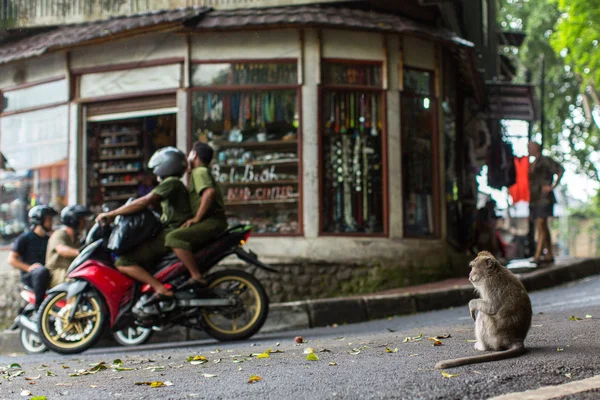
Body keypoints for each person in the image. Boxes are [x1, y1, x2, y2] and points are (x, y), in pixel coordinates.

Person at [96, 147, 193, 306]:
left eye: (156, 168)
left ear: (166, 165)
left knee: (122, 261)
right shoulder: (175, 184)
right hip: (170, 231)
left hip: (169, 234)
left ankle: (159, 288)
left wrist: (112, 214)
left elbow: (144, 201)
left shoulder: (171, 183)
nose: (155, 173)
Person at [166, 141, 228, 292]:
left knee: (173, 238)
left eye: (190, 153)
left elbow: (209, 193)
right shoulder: (200, 172)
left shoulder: (199, 171)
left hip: (212, 222)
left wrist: (197, 218)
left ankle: (196, 276)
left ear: (194, 155)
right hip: (212, 222)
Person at [7, 205, 57, 310]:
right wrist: (29, 268)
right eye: (49, 219)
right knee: (41, 271)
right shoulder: (25, 238)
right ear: (39, 220)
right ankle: (39, 310)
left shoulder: (49, 239)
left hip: (48, 274)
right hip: (32, 276)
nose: (51, 222)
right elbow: (11, 259)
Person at [528, 141, 564, 264]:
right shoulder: (532, 163)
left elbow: (560, 170)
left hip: (545, 198)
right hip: (535, 198)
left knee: (541, 223)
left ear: (536, 148)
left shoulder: (545, 161)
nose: (528, 149)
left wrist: (552, 186)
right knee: (542, 225)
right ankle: (549, 253)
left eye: (530, 146)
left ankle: (538, 255)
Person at [46, 205, 92, 288]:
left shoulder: (77, 239)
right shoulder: (59, 234)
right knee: (77, 285)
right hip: (57, 273)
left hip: (71, 271)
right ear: (73, 220)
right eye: (81, 219)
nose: (84, 221)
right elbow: (62, 250)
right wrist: (81, 253)